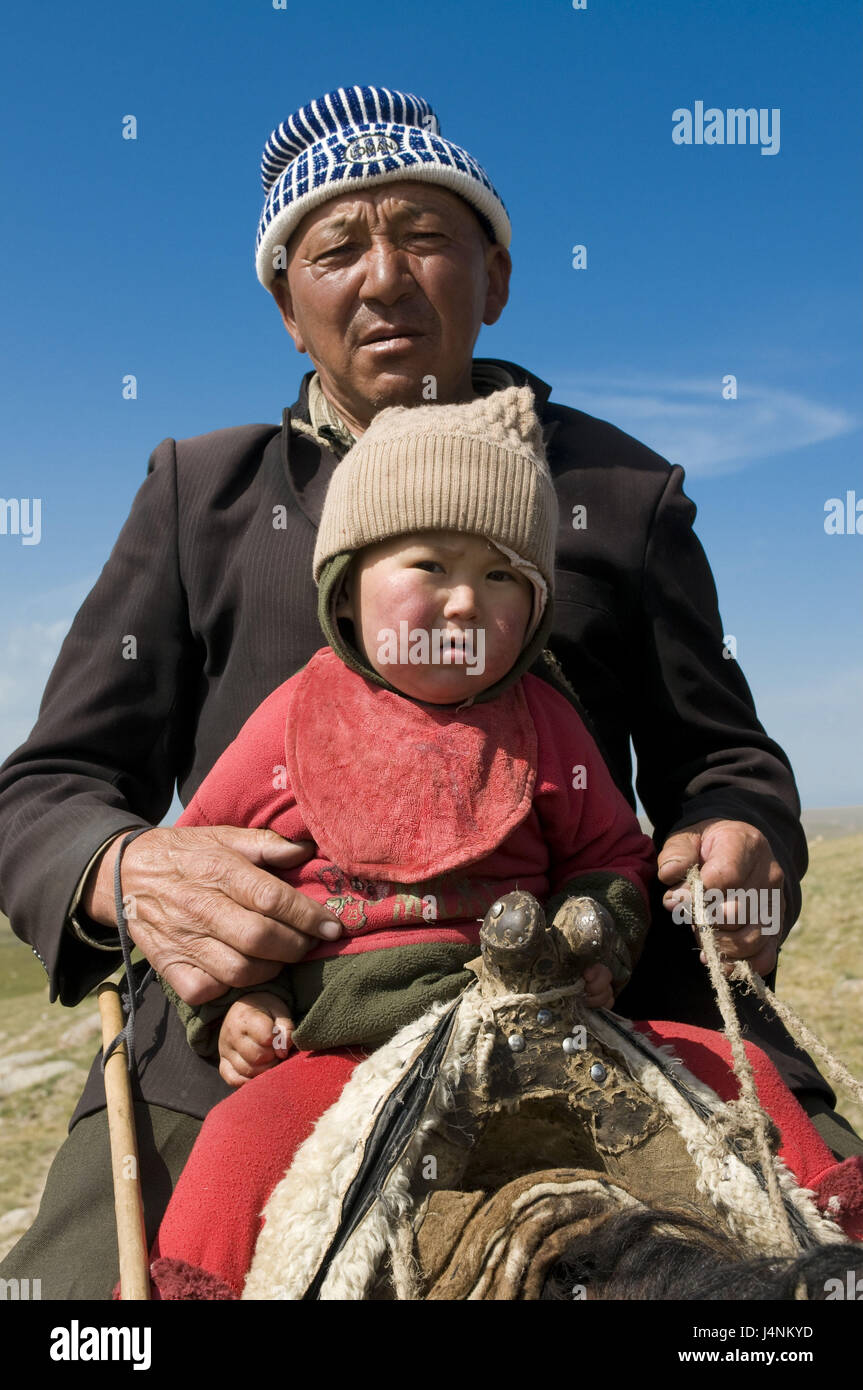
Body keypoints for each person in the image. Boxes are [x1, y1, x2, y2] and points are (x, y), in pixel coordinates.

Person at [0, 84, 857, 1299]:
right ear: (287, 307)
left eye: (425, 234)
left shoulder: (616, 489)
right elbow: (49, 787)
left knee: (814, 1239)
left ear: (496, 277)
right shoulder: (202, 495)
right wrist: (124, 873)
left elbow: (719, 757)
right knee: (92, 1304)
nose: (383, 276)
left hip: (585, 996)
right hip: (273, 1032)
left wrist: (745, 837)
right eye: (336, 247)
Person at [160, 386, 656, 1091]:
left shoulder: (545, 723)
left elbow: (608, 856)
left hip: (529, 1030)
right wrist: (242, 1002)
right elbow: (198, 880)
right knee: (232, 1167)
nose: (464, 601)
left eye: (501, 576)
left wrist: (595, 943)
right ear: (344, 589)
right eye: (430, 565)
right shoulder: (290, 720)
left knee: (722, 1086)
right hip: (331, 1054)